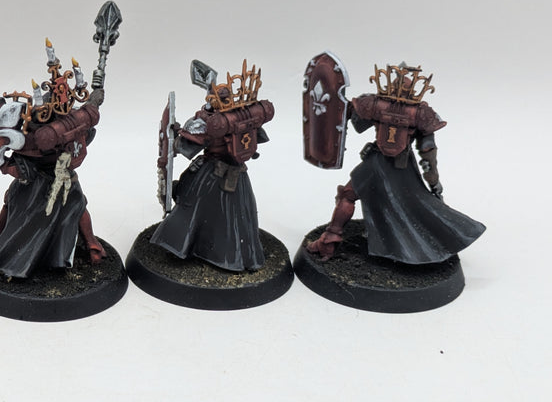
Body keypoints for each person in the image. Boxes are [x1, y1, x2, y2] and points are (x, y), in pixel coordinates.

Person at [306, 63, 485, 264]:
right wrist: (434, 183)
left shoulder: (376, 104)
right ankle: (335, 241)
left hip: (377, 165)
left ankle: (330, 240)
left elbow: (349, 115)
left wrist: (339, 103)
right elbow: (428, 154)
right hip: (401, 169)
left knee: (349, 196)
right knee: (405, 202)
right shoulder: (421, 113)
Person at [0, 46, 107, 279]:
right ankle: (1, 237)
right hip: (40, 178)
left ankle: (91, 244)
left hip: (54, 177)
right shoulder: (48, 127)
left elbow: (22, 157)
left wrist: (6, 164)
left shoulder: (58, 128)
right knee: (21, 203)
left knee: (76, 205)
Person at [151, 61, 273, 272]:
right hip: (239, 176)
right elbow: (259, 138)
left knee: (191, 206)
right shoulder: (246, 118)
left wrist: (176, 135)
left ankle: (182, 246)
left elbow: (184, 147)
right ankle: (238, 256)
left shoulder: (215, 124)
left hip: (212, 174)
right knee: (239, 215)